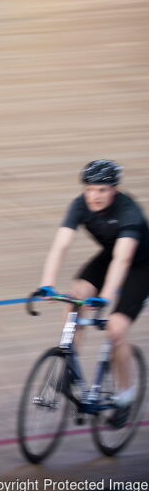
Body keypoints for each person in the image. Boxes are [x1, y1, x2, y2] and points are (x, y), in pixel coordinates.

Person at [35, 159, 149, 428]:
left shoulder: (128, 211)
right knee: (75, 297)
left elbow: (123, 259)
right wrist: (47, 284)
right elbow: (61, 245)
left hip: (142, 266)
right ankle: (70, 364)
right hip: (110, 255)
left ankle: (125, 395)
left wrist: (105, 297)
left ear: (115, 190)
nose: (94, 196)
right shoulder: (80, 204)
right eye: (89, 189)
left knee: (115, 329)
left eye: (102, 190)